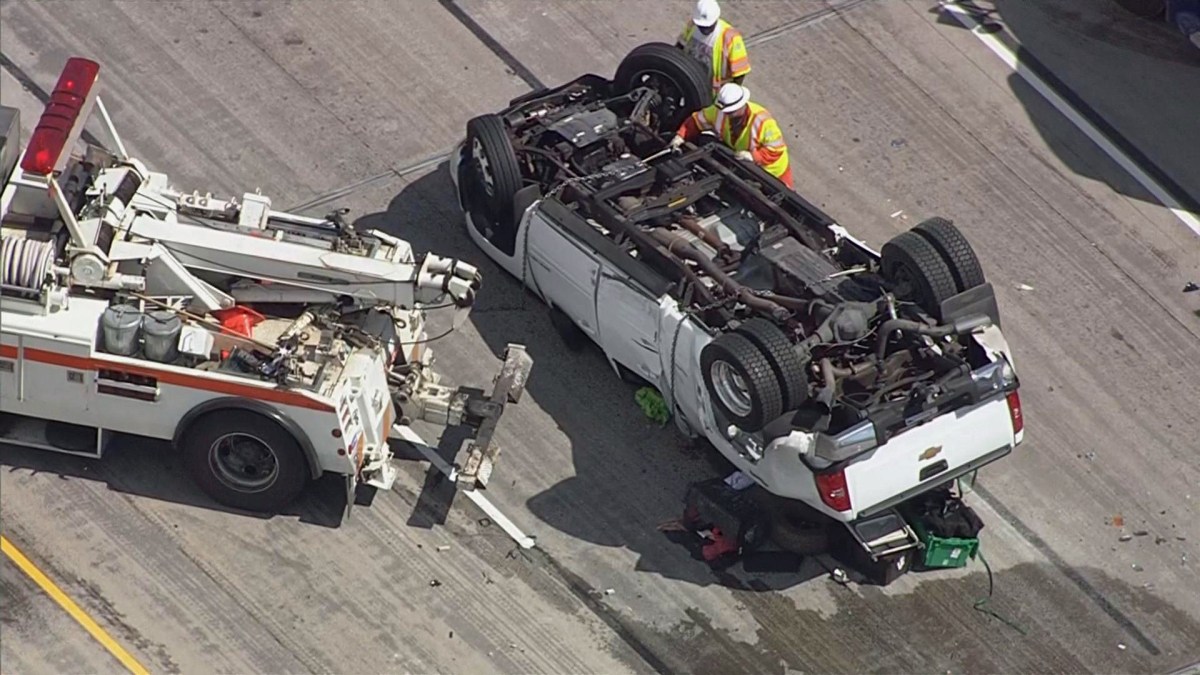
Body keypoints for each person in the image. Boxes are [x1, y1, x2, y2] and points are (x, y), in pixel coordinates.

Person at [669, 83, 794, 189]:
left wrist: (753, 156)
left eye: (731, 112)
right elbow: (696, 121)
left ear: (742, 106)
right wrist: (680, 136)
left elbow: (776, 150)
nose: (727, 115)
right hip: (745, 166)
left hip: (774, 174)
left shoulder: (763, 122)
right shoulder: (719, 112)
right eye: (726, 112)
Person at [676, 0, 751, 96]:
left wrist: (730, 95)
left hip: (712, 93)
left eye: (708, 26)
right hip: (688, 80)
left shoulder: (730, 37)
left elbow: (740, 73)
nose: (705, 30)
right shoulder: (692, 26)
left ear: (716, 19)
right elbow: (679, 46)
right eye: (701, 26)